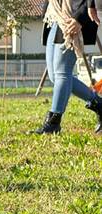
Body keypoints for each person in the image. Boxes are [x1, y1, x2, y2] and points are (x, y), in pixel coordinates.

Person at [34, 0, 102, 134]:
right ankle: (99, 104)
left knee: (62, 73)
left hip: (72, 14)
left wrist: (81, 15)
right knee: (55, 76)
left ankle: (53, 122)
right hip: (54, 15)